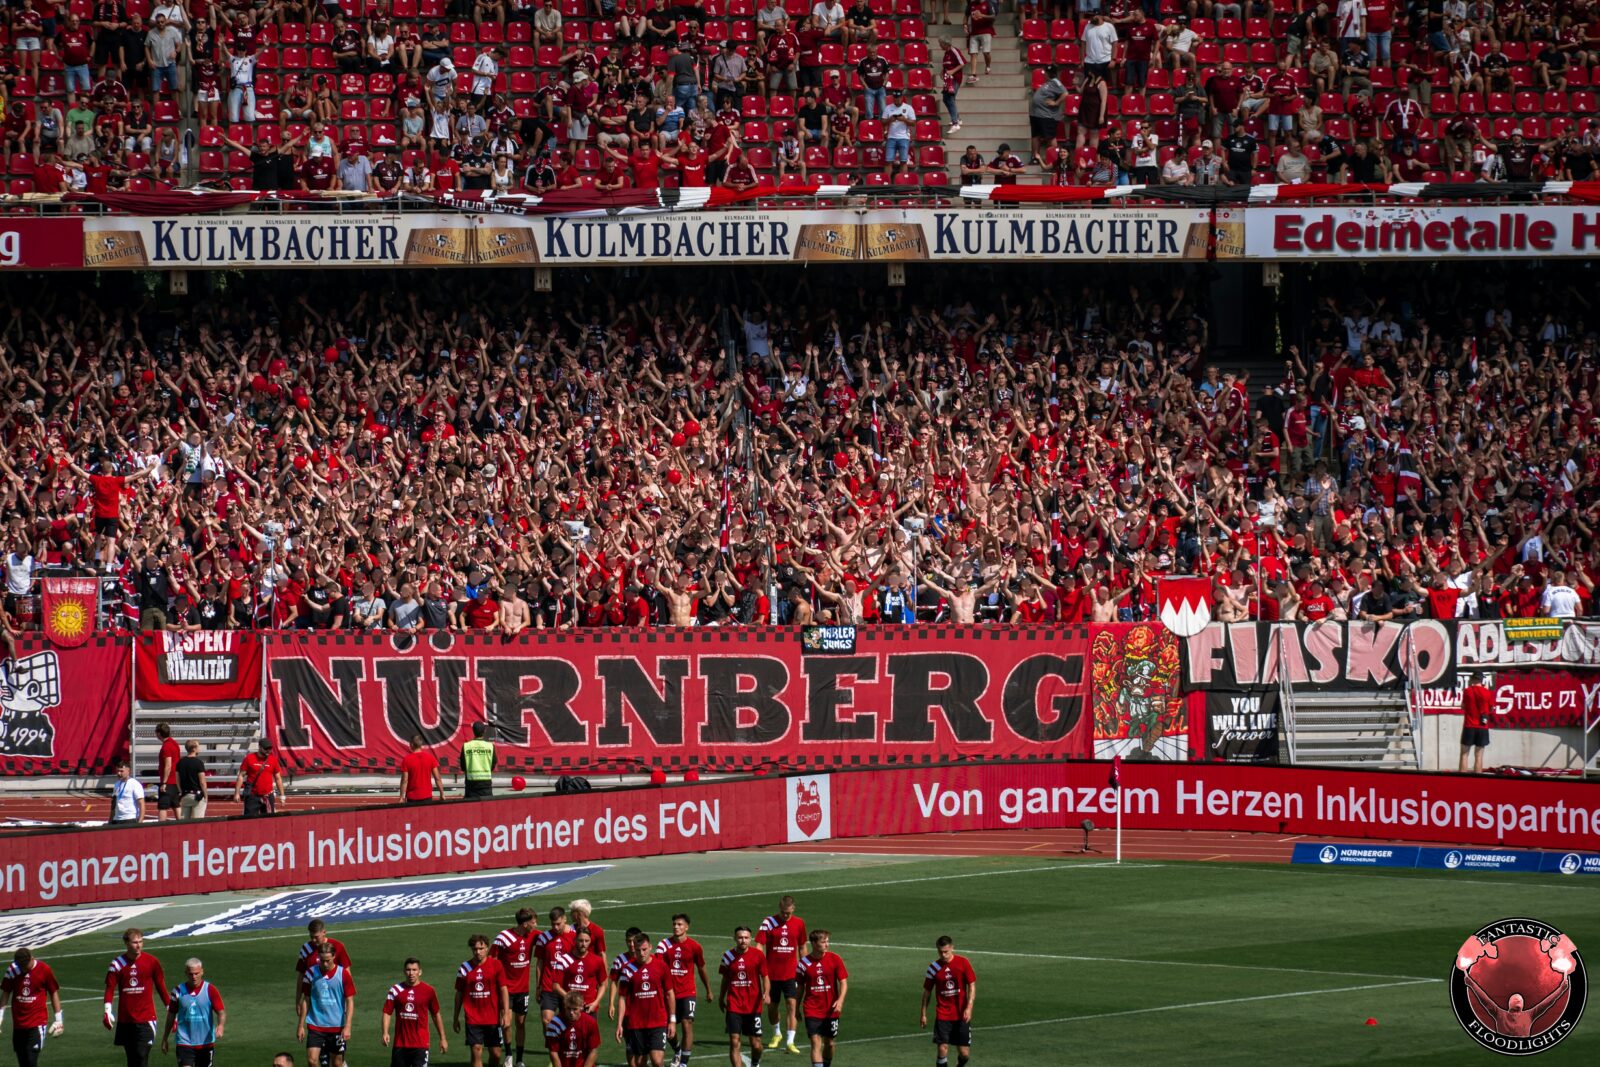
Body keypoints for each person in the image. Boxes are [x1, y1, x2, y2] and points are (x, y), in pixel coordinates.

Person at [103, 928, 170, 1067]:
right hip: (126, 1020)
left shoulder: (152, 962)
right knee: (132, 1059)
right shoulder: (117, 964)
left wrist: (171, 1010)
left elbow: (161, 988)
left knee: (141, 1056)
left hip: (146, 1019)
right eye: (135, 942)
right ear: (126, 943)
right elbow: (110, 988)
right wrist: (107, 1011)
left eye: (141, 941)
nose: (138, 945)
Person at [615, 933, 675, 1067]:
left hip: (658, 1022)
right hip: (636, 1023)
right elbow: (622, 998)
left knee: (657, 1060)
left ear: (650, 947)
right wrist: (619, 1023)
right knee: (640, 1062)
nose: (641, 953)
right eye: (638, 950)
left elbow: (670, 993)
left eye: (644, 949)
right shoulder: (628, 970)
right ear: (634, 949)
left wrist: (672, 1020)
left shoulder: (661, 966)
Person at [656, 914, 708, 1067]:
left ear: (687, 927)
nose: (676, 927)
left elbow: (701, 968)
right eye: (674, 924)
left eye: (679, 924)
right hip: (669, 993)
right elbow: (657, 968)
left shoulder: (695, 946)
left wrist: (708, 989)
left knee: (687, 1023)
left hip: (687, 992)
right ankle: (677, 1049)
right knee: (668, 1028)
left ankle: (684, 1062)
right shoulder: (664, 945)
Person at [490, 908, 540, 1066]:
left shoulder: (534, 935)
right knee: (506, 1023)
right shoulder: (503, 938)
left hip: (523, 989)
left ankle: (519, 1059)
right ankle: (509, 1055)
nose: (536, 925)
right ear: (525, 924)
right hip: (506, 989)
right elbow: (492, 959)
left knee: (520, 1023)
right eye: (533, 922)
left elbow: (552, 937)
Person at [756, 896, 805, 1054]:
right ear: (779, 908)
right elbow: (759, 945)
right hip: (772, 974)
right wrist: (758, 964)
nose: (785, 916)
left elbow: (802, 946)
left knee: (792, 1005)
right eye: (783, 913)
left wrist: (804, 967)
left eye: (788, 913)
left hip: (791, 974)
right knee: (772, 1006)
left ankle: (790, 1041)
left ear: (793, 909)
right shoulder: (768, 922)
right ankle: (776, 1033)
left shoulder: (799, 923)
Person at [455, 933, 512, 1067]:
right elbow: (459, 994)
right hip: (473, 1018)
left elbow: (504, 989)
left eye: (481, 948)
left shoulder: (496, 965)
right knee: (476, 1050)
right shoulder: (464, 968)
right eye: (475, 949)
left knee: (496, 1053)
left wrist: (506, 1014)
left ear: (487, 948)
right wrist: (455, 1017)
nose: (478, 952)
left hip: (492, 1017)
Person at [1, 948, 63, 1067]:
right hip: (18, 1025)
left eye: (26, 966)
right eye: (21, 966)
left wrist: (59, 1019)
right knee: (23, 1062)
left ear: (32, 959)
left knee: (31, 1060)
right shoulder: (13, 970)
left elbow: (53, 992)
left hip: (37, 1024)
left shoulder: (44, 970)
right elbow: (6, 993)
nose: (24, 969)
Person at [381, 957, 449, 1066]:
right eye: (408, 970)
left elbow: (436, 1015)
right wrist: (385, 1032)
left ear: (420, 972)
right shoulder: (395, 990)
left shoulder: (429, 991)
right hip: (400, 1043)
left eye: (414, 970)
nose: (411, 973)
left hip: (421, 1044)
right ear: (404, 971)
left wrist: (443, 1038)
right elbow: (387, 1012)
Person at [921, 936, 977, 1067]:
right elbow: (927, 992)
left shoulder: (963, 962)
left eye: (946, 951)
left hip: (961, 1014)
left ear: (952, 948)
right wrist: (923, 1013)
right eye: (940, 952)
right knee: (942, 1048)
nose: (943, 955)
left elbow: (972, 985)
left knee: (964, 1053)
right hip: (943, 1013)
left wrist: (969, 1008)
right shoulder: (933, 968)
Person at [297, 942, 355, 1067]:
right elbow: (306, 999)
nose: (324, 964)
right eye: (322, 960)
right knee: (312, 1060)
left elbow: (350, 1001)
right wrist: (301, 1025)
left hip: (337, 1026)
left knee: (337, 1063)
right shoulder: (310, 973)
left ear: (334, 956)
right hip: (315, 1025)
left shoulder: (343, 974)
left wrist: (348, 1025)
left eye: (327, 960)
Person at [795, 931, 847, 1067]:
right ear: (813, 943)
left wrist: (840, 1000)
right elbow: (800, 987)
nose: (827, 944)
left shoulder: (835, 959)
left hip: (831, 1009)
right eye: (823, 942)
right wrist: (796, 1008)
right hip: (812, 1008)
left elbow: (843, 982)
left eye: (827, 941)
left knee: (830, 1043)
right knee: (815, 1042)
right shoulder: (803, 963)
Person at [160, 958, 224, 1067]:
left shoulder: (210, 990)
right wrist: (165, 1038)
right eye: (190, 974)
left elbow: (221, 1012)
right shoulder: (178, 991)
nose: (194, 977)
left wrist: (221, 1025)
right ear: (186, 973)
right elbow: (171, 1015)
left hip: (205, 1042)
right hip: (184, 1042)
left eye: (196, 973)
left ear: (202, 971)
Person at [718, 927, 768, 1067]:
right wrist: (721, 997)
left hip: (753, 1006)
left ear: (750, 939)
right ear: (735, 938)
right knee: (734, 1041)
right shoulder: (727, 956)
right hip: (734, 1004)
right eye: (740, 937)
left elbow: (765, 976)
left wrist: (767, 992)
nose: (743, 940)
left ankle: (755, 1063)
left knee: (756, 1044)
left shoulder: (758, 955)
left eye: (746, 937)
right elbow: (725, 979)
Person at [533, 907, 576, 1030]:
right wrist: (538, 986)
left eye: (558, 924)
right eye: (553, 924)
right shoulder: (544, 937)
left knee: (569, 1022)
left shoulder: (574, 936)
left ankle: (565, 1048)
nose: (555, 927)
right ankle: (552, 1048)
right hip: (548, 986)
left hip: (566, 987)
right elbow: (540, 963)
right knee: (546, 1020)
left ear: (565, 919)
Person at [295, 922, 353, 1001]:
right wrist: (298, 1000)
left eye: (316, 937)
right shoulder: (306, 949)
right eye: (311, 937)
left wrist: (347, 1000)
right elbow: (301, 976)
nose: (313, 940)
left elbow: (347, 973)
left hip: (335, 999)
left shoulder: (337, 946)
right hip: (313, 1000)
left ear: (324, 932)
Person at [545, 991, 600, 1067]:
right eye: (568, 1008)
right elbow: (553, 1052)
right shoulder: (555, 1024)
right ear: (564, 1006)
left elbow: (593, 1051)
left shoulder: (590, 1023)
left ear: (581, 1007)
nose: (571, 1012)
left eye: (575, 1009)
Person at [233, 738, 284, 816]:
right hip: (252, 796)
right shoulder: (249, 758)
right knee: (250, 820)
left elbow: (278, 778)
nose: (268, 751)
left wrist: (282, 795)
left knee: (269, 821)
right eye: (266, 749)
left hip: (268, 796)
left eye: (270, 749)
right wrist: (237, 793)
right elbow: (241, 776)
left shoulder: (273, 760)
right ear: (260, 747)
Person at [1460, 673, 1493, 774]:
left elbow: (1463, 706)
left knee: (1464, 754)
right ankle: (1478, 781)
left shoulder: (1467, 691)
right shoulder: (1488, 693)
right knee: (1479, 756)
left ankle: (1461, 781)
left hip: (1469, 726)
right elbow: (1491, 708)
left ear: (1473, 679)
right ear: (1481, 680)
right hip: (1482, 727)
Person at [399, 734, 444, 804]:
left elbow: (404, 780)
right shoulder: (430, 758)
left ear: (412, 744)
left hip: (412, 797)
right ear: (421, 744)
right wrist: (442, 794)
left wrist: (401, 797)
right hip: (427, 796)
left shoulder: (406, 760)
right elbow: (437, 778)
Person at [462, 720, 496, 799]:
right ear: (484, 731)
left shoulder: (466, 746)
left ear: (473, 731)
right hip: (486, 785)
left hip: (471, 786)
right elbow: (493, 764)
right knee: (487, 809)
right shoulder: (490, 746)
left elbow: (463, 766)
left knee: (470, 809)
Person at [155, 722, 181, 821]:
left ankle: (160, 828)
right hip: (175, 780)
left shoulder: (166, 746)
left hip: (168, 781)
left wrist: (164, 782)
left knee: (162, 806)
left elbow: (168, 765)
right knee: (176, 805)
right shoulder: (174, 743)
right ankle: (183, 825)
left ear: (159, 733)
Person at [175, 740, 208, 820]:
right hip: (197, 795)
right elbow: (202, 782)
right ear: (194, 749)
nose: (199, 748)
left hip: (185, 794)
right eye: (198, 746)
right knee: (198, 822)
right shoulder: (199, 763)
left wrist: (181, 791)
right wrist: (206, 795)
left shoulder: (180, 762)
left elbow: (177, 780)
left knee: (184, 823)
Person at [108, 759, 146, 825]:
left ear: (128, 771)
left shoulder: (135, 784)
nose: (119, 773)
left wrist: (140, 822)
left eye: (121, 771)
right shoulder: (117, 784)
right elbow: (113, 805)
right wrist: (110, 821)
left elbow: (141, 803)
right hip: (116, 819)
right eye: (117, 771)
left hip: (130, 819)